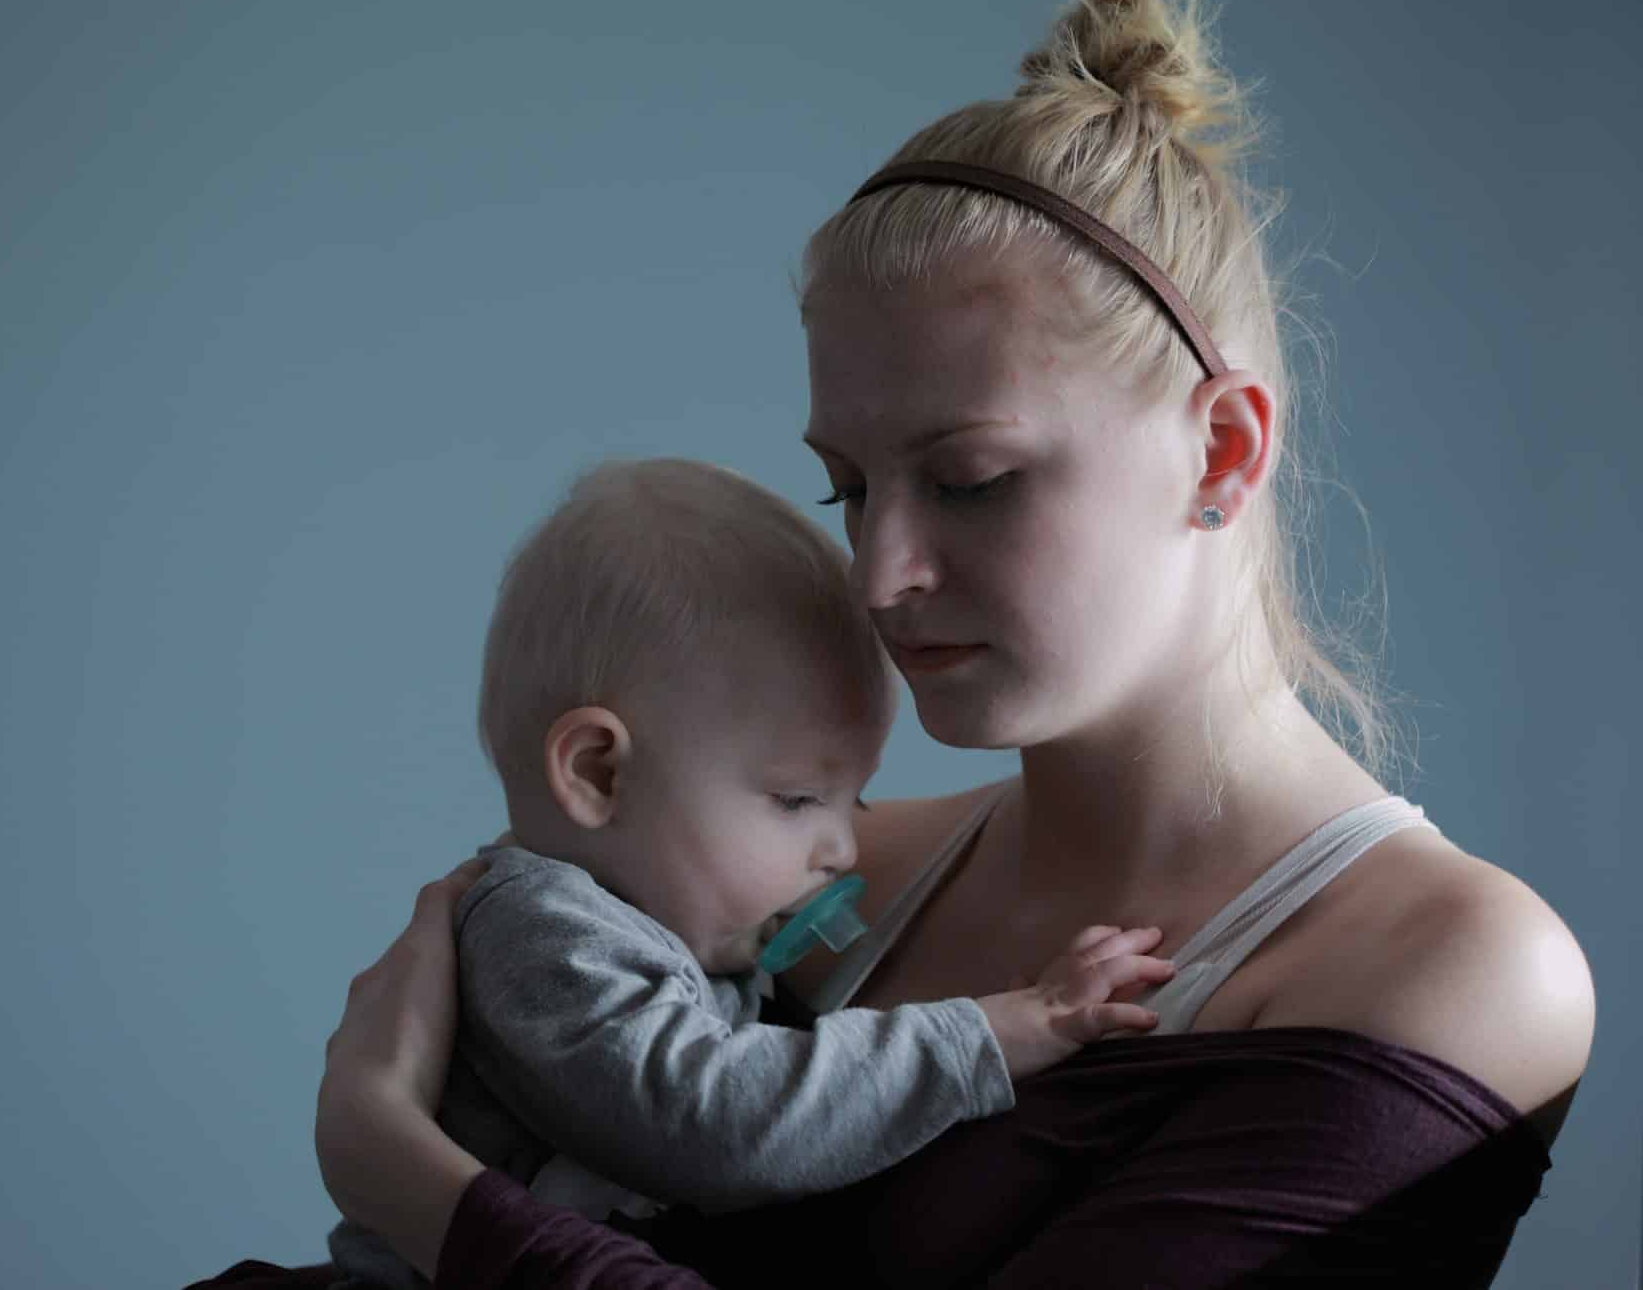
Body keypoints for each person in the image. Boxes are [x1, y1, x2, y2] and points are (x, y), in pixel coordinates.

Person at [196, 0, 1594, 1285]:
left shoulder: (1456, 966)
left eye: (972, 479)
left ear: (1222, 448)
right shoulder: (821, 869)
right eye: (849, 488)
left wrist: (406, 1177)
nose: (878, 573)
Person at [326, 457, 1175, 1287]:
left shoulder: (671, 933)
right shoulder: (545, 935)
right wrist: (991, 1033)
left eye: (856, 803)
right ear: (598, 773)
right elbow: (719, 1118)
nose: (843, 850)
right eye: (799, 798)